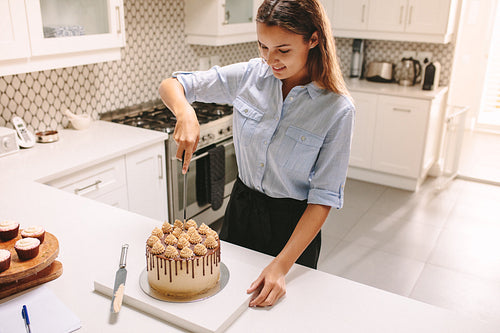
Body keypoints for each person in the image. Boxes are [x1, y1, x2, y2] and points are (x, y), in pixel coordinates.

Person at [159, 0, 354, 307]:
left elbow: (324, 198)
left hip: (292, 228)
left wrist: (281, 265)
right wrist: (185, 113)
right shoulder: (251, 75)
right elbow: (172, 84)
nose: (270, 59)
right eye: (263, 46)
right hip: (241, 212)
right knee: (226, 304)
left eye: (283, 50)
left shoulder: (337, 109)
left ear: (313, 39)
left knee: (281, 316)